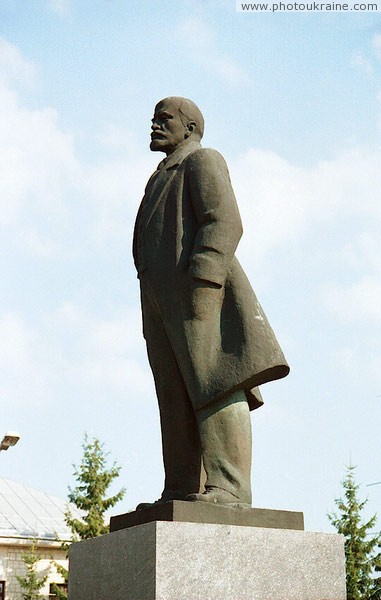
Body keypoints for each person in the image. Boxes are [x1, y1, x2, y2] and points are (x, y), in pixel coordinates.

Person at [133, 97, 289, 508]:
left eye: (164, 119)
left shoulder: (202, 161)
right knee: (174, 393)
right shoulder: (160, 177)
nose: (154, 125)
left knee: (216, 383)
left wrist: (203, 278)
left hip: (199, 294)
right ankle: (182, 487)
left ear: (190, 128)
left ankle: (230, 488)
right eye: (154, 119)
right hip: (161, 302)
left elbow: (225, 220)